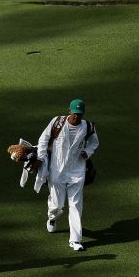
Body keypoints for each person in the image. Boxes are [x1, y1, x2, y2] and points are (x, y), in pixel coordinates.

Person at [35, 98, 99, 251]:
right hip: (57, 170)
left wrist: (87, 152)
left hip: (77, 171)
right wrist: (40, 158)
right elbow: (43, 140)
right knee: (57, 205)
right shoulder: (57, 122)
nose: (77, 117)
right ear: (69, 111)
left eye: (80, 114)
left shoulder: (88, 127)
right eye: (75, 113)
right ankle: (52, 218)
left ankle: (75, 240)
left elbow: (95, 142)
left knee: (76, 205)